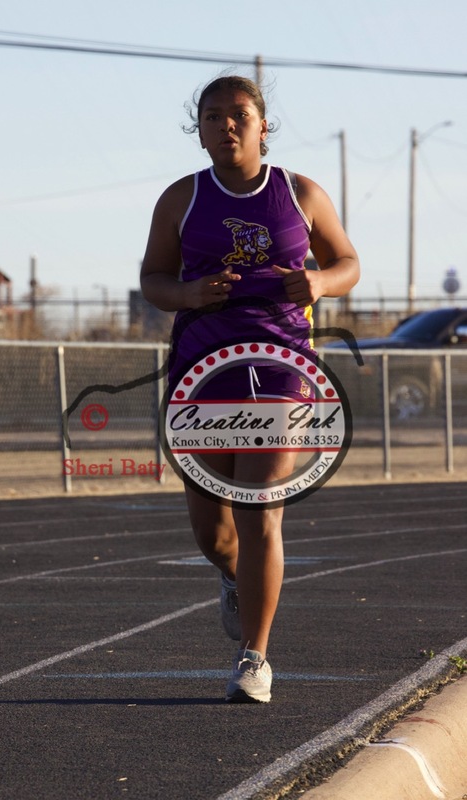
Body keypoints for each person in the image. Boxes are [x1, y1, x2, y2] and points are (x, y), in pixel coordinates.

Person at [140, 74, 359, 703]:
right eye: (213, 116)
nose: (227, 125)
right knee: (213, 533)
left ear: (264, 125)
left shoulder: (300, 193)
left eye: (240, 114)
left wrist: (320, 283)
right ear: (200, 130)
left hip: (283, 369)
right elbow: (154, 278)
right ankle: (235, 577)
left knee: (261, 506)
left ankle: (254, 656)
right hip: (201, 372)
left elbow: (348, 262)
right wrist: (185, 294)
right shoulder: (181, 198)